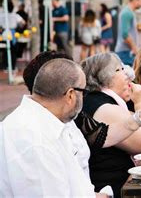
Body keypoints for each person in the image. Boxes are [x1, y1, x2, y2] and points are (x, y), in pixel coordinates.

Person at [0, 59, 100, 197]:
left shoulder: (47, 122)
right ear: (70, 95)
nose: (84, 97)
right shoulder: (37, 139)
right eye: (83, 92)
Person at [81, 53, 141, 196]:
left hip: (117, 180)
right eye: (120, 69)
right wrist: (140, 101)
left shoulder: (99, 99)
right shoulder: (105, 107)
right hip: (113, 187)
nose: (128, 75)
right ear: (106, 76)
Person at [115, 0, 141, 66]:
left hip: (126, 52)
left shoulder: (129, 12)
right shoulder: (127, 13)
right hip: (125, 52)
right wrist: (134, 48)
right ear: (135, 0)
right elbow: (125, 34)